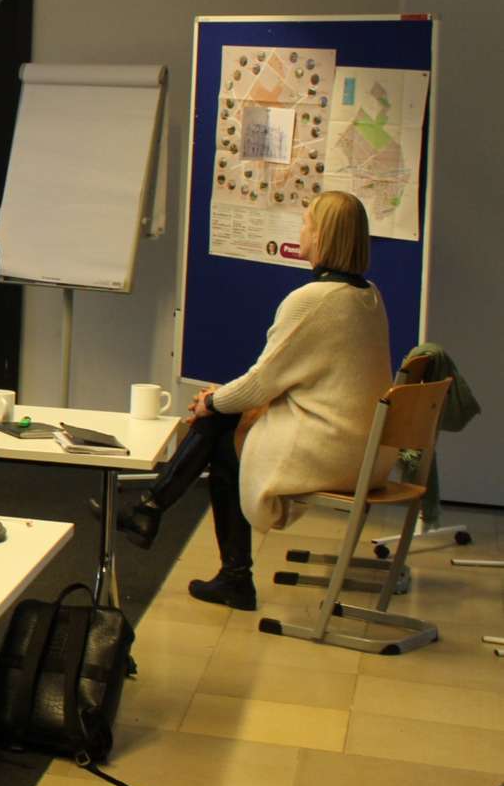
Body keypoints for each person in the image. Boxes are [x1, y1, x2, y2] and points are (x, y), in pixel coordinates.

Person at [116, 191, 391, 610]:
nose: (301, 230)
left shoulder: (312, 301)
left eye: (307, 224)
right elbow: (286, 380)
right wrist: (225, 401)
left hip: (334, 451)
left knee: (220, 431)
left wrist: (212, 401)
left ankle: (162, 516)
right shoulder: (368, 295)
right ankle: (159, 516)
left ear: (324, 236)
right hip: (366, 448)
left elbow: (263, 381)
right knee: (225, 423)